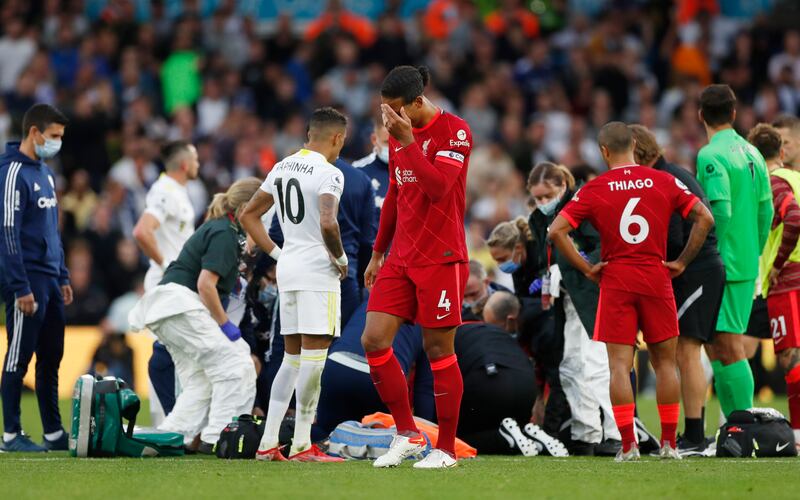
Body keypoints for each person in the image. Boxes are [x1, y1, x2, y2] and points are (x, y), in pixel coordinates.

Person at [549, 122, 714, 461]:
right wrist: (681, 262)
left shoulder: (595, 188)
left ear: (604, 151)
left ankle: (628, 446)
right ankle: (669, 444)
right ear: (635, 144)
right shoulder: (665, 180)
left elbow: (556, 230)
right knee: (666, 363)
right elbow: (705, 218)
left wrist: (586, 268)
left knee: (619, 366)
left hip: (616, 278)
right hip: (656, 275)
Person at [361, 65, 472, 469]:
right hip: (401, 257)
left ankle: (444, 450)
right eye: (384, 111)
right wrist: (378, 252)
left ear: (417, 102)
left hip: (440, 257)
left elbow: (439, 189)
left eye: (395, 110)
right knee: (373, 340)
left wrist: (407, 142)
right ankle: (407, 434)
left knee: (439, 349)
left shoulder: (455, 131)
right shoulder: (397, 134)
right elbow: (395, 191)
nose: (389, 118)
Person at [241, 107, 349, 462]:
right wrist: (341, 259)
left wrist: (276, 254)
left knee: (291, 358)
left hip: (289, 268)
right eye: (341, 141)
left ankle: (269, 442)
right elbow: (329, 222)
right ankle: (302, 443)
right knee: (314, 361)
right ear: (335, 138)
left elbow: (248, 214)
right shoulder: (330, 173)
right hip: (318, 270)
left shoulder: (283, 165)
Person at [127, 178, 260, 453]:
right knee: (236, 364)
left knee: (201, 379)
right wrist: (225, 325)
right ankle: (218, 437)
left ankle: (171, 436)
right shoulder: (225, 232)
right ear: (247, 207)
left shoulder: (223, 230)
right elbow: (205, 284)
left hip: (168, 306)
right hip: (179, 304)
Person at [629, 124, 725, 456]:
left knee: (687, 351)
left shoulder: (664, 179)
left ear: (637, 152)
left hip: (698, 270)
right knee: (684, 352)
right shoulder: (670, 174)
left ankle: (696, 437)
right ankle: (694, 433)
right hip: (696, 270)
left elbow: (678, 234)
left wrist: (679, 263)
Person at [527, 162, 620, 456]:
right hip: (566, 299)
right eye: (537, 198)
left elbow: (604, 245)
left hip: (593, 294)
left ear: (563, 187)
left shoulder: (585, 206)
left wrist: (574, 264)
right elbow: (545, 255)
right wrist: (547, 273)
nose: (542, 203)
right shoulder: (537, 220)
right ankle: (586, 432)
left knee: (596, 365)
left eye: (547, 196)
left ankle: (615, 433)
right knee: (570, 365)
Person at [696, 84, 773, 417]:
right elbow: (766, 210)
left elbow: (721, 210)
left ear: (701, 116)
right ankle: (734, 426)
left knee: (728, 344)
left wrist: (710, 251)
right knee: (717, 344)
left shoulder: (710, 155)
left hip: (724, 264)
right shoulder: (753, 152)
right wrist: (753, 248)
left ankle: (746, 421)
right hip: (744, 260)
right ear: (733, 113)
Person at [0, 103, 72, 452]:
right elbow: (8, 232)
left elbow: (52, 229)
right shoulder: (12, 173)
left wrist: (63, 274)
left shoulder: (45, 173)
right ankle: (11, 434)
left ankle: (53, 432)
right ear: (34, 132)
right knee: (19, 355)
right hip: (26, 280)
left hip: (50, 279)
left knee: (52, 356)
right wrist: (19, 286)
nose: (57, 142)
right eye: (54, 136)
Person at [132, 140, 199, 427]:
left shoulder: (178, 192)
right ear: (184, 164)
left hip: (179, 284)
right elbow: (142, 231)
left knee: (176, 353)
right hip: (168, 284)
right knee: (167, 352)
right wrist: (166, 265)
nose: (198, 163)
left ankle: (174, 420)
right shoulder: (163, 192)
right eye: (195, 158)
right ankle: (168, 421)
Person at [269, 154, 375, 328]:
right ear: (339, 137)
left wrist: (277, 258)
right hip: (342, 276)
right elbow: (366, 242)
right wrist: (345, 262)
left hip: (294, 271)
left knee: (290, 348)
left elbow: (275, 231)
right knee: (331, 349)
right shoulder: (359, 179)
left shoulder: (288, 170)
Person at [486, 218, 568, 441]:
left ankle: (552, 433)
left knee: (558, 378)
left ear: (519, 248)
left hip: (549, 320)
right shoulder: (519, 265)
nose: (501, 265)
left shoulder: (542, 254)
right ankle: (543, 428)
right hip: (534, 320)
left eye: (502, 258)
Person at [748, 123, 800, 450]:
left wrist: (778, 263)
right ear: (781, 152)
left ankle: (797, 437)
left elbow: (793, 218)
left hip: (789, 281)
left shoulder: (774, 182)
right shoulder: (797, 177)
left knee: (791, 359)